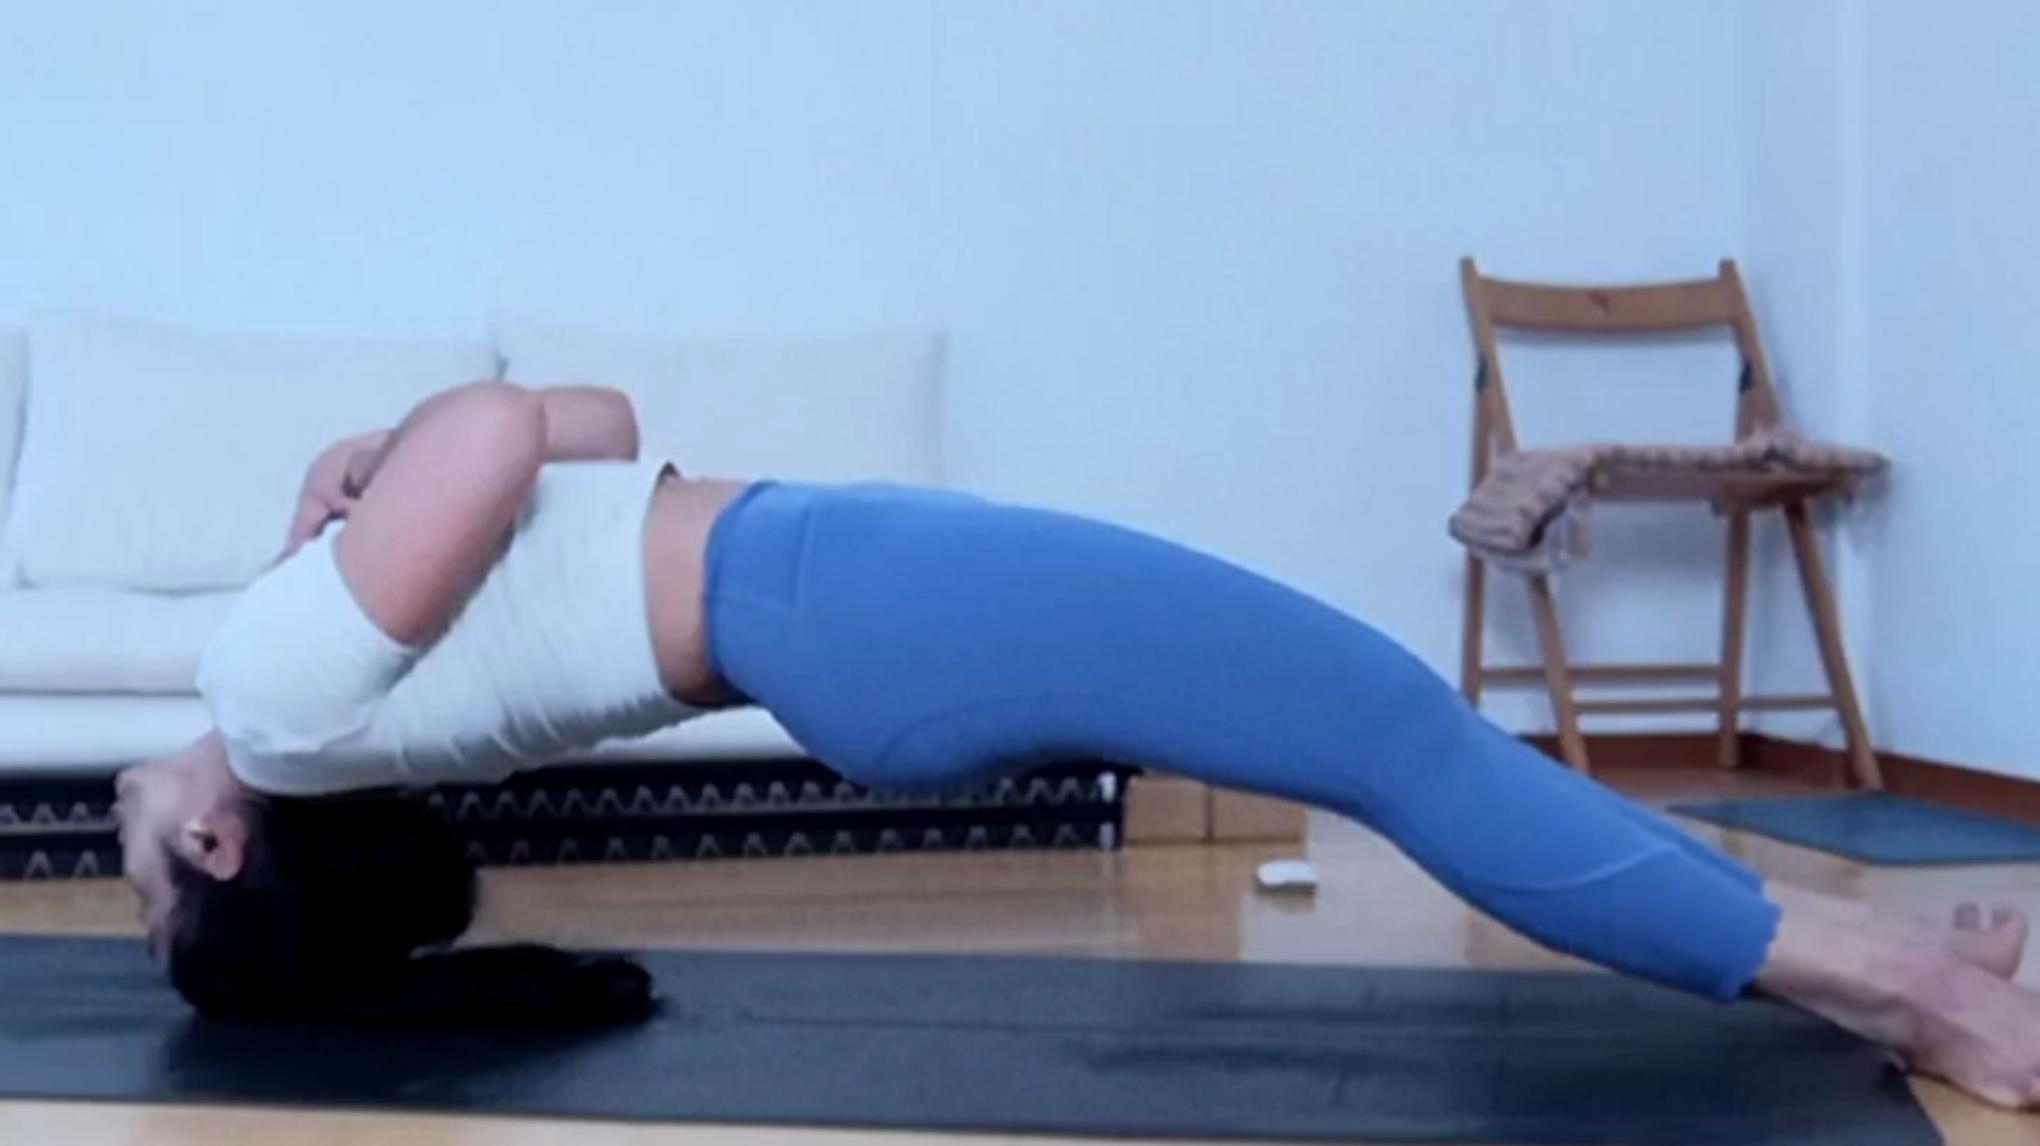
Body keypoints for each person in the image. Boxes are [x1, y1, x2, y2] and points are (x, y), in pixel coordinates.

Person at [114, 380, 2040, 1106]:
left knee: (1404, 730)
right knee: (1403, 743)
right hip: (846, 603)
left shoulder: (306, 685)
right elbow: (502, 427)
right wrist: (381, 451)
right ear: (217, 847)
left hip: (844, 609)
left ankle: (1850, 955)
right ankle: (1912, 992)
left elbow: (597, 424)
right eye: (139, 884)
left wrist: (368, 482)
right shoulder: (268, 692)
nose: (128, 832)